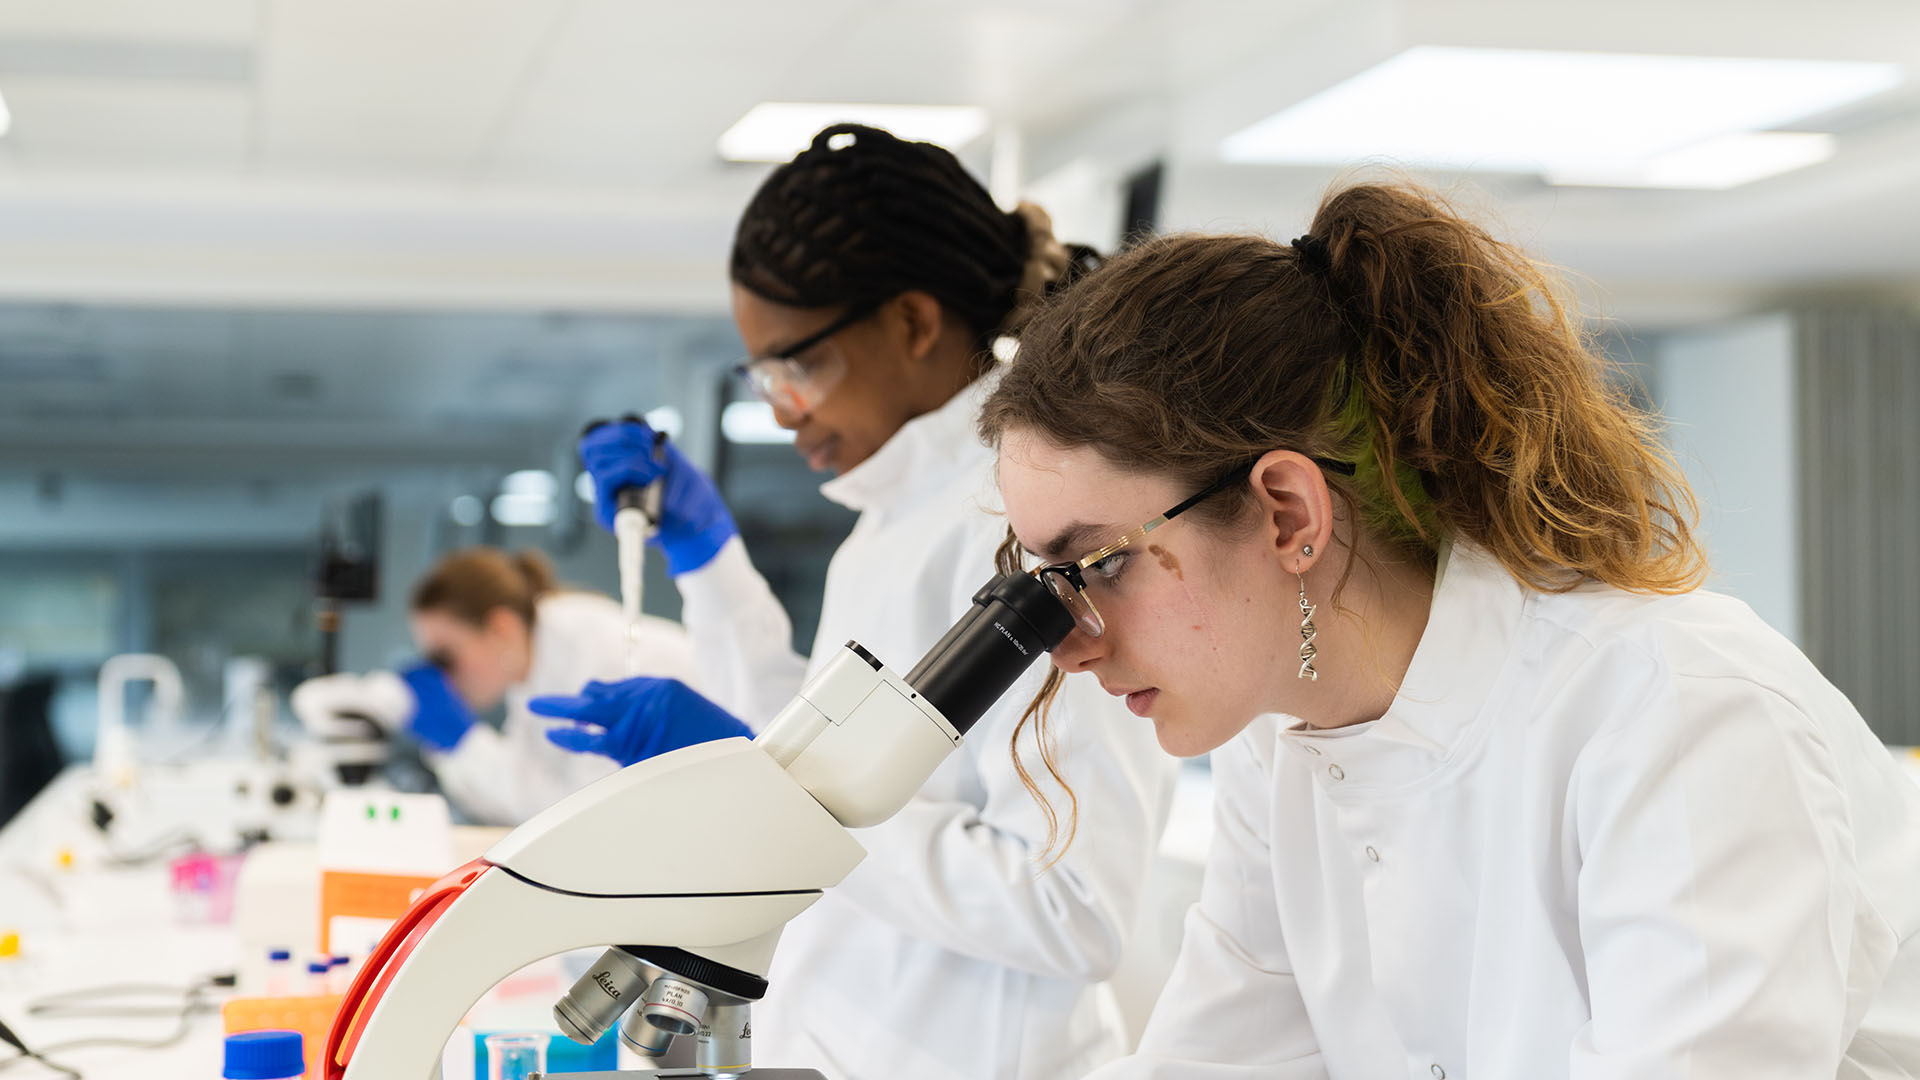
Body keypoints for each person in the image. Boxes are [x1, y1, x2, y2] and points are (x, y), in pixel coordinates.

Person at [979, 179, 1920, 1078]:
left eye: (1101, 564)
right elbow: (1217, 1061)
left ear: (1288, 515)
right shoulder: (1278, 753)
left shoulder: (1674, 713)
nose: (1069, 643)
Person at [537, 124, 1177, 1080]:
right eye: (763, 376)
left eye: (795, 366)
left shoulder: (1032, 515)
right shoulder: (892, 516)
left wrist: (770, 794)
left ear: (913, 324)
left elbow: (1073, 908)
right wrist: (708, 562)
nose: (780, 407)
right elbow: (827, 759)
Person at [292, 547, 716, 825]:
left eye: (446, 655)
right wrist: (449, 745)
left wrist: (463, 740)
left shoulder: (598, 659)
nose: (442, 675)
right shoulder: (535, 664)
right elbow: (520, 802)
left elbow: (576, 819)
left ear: (501, 627)